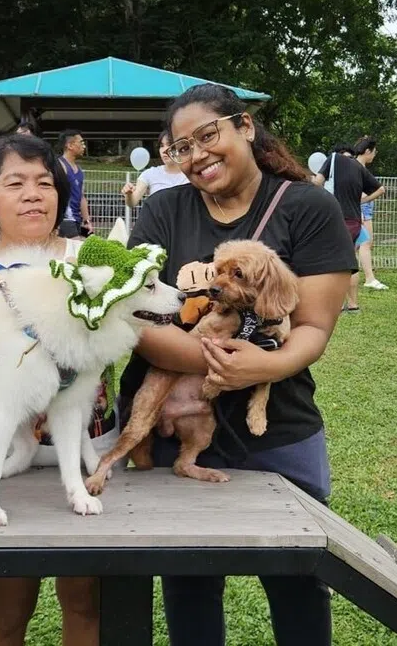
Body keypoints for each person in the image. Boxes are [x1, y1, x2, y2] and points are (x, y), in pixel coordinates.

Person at [120, 84, 354, 645]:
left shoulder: (308, 207)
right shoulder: (161, 210)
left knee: (298, 581)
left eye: (208, 135)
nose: (197, 155)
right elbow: (137, 322)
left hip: (278, 429)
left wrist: (263, 369)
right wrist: (223, 363)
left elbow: (315, 326)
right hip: (179, 424)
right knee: (189, 584)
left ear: (244, 127)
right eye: (180, 148)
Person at [0, 134, 113, 646]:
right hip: (10, 461)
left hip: (87, 449)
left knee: (85, 597)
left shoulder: (89, 256)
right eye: (14, 183)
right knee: (9, 602)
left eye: (44, 182)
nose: (33, 193)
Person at [312, 143, 384, 312]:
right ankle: (352, 305)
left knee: (332, 262)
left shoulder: (333, 159)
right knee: (350, 261)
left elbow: (317, 183)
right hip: (354, 220)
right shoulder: (358, 167)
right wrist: (361, 201)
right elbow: (381, 189)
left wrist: (311, 181)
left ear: (337, 153)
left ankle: (336, 303)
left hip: (336, 218)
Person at [353, 136, 388, 290]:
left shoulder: (357, 166)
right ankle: (369, 278)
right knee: (365, 243)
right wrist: (361, 204)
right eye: (374, 151)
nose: (375, 154)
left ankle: (339, 271)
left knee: (358, 244)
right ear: (367, 151)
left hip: (363, 207)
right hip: (360, 208)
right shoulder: (356, 167)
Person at [121, 131, 189, 208]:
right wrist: (129, 194)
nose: (164, 150)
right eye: (161, 145)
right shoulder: (150, 174)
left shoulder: (192, 173)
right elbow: (132, 203)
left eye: (169, 144)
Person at [57, 129, 93, 238]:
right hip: (65, 219)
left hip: (76, 219)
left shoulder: (80, 171)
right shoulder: (60, 166)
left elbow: (81, 197)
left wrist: (87, 221)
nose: (84, 146)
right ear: (70, 145)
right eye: (81, 143)